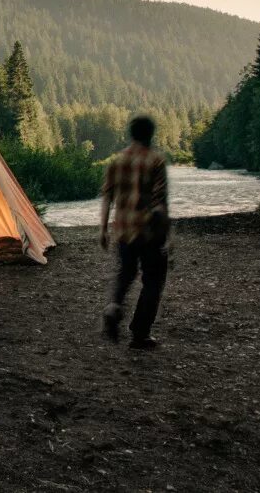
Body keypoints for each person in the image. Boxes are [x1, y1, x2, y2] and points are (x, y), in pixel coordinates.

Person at [99, 116, 170, 350]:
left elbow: (107, 197)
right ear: (151, 134)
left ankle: (113, 307)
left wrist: (102, 230)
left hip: (123, 229)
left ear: (131, 133)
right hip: (148, 231)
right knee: (153, 280)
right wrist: (167, 235)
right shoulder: (156, 160)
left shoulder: (117, 161)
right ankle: (140, 334)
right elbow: (160, 202)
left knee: (126, 273)